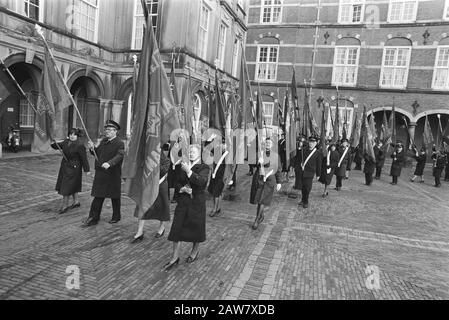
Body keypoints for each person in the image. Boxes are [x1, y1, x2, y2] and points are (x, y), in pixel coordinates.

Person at [164, 144, 210, 270]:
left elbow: (201, 182)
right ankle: (175, 257)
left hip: (196, 203)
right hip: (183, 202)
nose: (191, 154)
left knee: (196, 229)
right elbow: (177, 182)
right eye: (189, 152)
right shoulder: (183, 165)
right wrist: (181, 188)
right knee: (176, 229)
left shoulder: (204, 167)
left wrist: (189, 172)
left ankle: (194, 251)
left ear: (199, 153)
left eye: (193, 152)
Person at [81, 120, 125, 227]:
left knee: (114, 197)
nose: (107, 132)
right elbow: (98, 153)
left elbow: (120, 156)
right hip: (101, 173)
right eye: (106, 129)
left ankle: (116, 216)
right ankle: (93, 217)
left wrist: (109, 163)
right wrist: (92, 148)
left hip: (112, 174)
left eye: (110, 130)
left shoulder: (119, 143)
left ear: (115, 131)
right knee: (98, 196)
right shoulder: (104, 140)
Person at [131, 144, 171, 243]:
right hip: (147, 185)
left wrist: (153, 164)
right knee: (143, 207)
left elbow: (163, 170)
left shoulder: (166, 160)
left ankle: (161, 227)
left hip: (160, 186)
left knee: (162, 207)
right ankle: (139, 231)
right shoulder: (144, 157)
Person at [51, 128, 90, 214]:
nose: (72, 136)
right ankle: (76, 202)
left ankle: (64, 206)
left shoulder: (80, 145)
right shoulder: (65, 142)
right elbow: (56, 146)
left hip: (74, 168)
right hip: (65, 166)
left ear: (77, 136)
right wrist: (53, 142)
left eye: (74, 134)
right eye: (71, 134)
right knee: (73, 185)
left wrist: (87, 170)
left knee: (66, 186)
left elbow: (84, 158)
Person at [249, 138, 282, 229]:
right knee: (259, 200)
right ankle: (260, 215)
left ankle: (256, 219)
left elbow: (278, 169)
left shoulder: (276, 156)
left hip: (270, 180)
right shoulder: (260, 153)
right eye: (266, 142)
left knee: (262, 200)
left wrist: (279, 182)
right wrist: (257, 161)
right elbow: (251, 164)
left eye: (269, 143)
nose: (268, 144)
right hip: (259, 179)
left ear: (272, 145)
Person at [295, 136, 322, 209]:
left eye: (313, 142)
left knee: (307, 187)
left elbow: (319, 164)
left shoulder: (318, 153)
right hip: (302, 171)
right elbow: (298, 158)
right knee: (303, 187)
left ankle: (306, 201)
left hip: (310, 172)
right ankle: (303, 200)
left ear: (316, 143)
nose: (311, 144)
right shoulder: (304, 150)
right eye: (310, 142)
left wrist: (318, 174)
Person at [208, 139, 230, 217]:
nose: (223, 145)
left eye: (224, 144)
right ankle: (218, 207)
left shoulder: (227, 154)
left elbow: (229, 167)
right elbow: (209, 154)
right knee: (215, 192)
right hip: (214, 174)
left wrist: (227, 177)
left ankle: (214, 209)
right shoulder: (216, 150)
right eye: (221, 143)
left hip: (222, 176)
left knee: (216, 193)